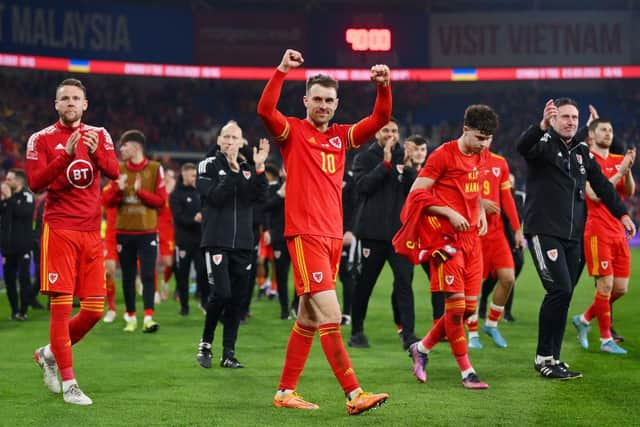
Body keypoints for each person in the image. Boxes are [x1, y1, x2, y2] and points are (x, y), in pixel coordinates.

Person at [257, 48, 390, 415]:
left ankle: (285, 392)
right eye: (317, 98)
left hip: (332, 236)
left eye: (329, 100)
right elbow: (266, 111)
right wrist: (281, 70)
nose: (323, 105)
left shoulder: (342, 137)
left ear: (336, 103)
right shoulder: (292, 132)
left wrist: (383, 87)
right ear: (305, 101)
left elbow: (380, 118)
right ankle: (353, 394)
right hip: (305, 235)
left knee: (309, 318)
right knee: (331, 315)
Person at [516, 98, 635, 379]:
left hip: (573, 236)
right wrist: (541, 125)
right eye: (565, 116)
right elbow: (522, 147)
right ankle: (544, 357)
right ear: (555, 120)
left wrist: (623, 215)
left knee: (565, 294)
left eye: (574, 117)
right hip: (544, 231)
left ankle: (554, 357)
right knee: (559, 290)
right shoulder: (542, 145)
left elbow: (605, 187)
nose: (570, 121)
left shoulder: (582, 153)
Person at [28, 78, 120, 405]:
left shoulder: (100, 135)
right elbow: (35, 182)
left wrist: (95, 152)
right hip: (60, 230)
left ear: (85, 105)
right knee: (61, 307)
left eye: (75, 98)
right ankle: (69, 383)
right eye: (64, 98)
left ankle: (50, 352)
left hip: (91, 233)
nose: (70, 103)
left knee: (94, 311)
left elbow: (114, 171)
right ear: (56, 105)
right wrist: (64, 157)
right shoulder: (41, 139)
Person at [406, 104, 495, 390]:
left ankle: (421, 347)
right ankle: (467, 372)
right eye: (479, 137)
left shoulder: (480, 156)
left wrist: (478, 210)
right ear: (465, 129)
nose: (484, 144)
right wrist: (448, 213)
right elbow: (415, 194)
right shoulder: (442, 155)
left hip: (472, 239)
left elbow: (474, 189)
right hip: (446, 241)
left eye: (488, 139)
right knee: (456, 309)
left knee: (468, 310)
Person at [195, 122, 269, 369]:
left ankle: (229, 352)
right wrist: (233, 173)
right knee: (221, 293)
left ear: (242, 142)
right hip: (216, 240)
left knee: (237, 299)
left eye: (234, 138)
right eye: (225, 137)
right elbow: (215, 198)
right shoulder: (207, 165)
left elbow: (260, 198)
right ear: (218, 140)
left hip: (244, 244)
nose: (229, 141)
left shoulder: (248, 169)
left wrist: (259, 169)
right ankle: (206, 343)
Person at [349, 119, 419, 350]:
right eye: (386, 130)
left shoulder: (404, 157)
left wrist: (408, 168)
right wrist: (386, 164)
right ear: (377, 133)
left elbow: (416, 192)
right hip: (372, 234)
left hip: (400, 235)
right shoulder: (364, 158)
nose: (391, 134)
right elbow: (362, 187)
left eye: (395, 131)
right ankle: (357, 331)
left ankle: (408, 334)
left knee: (404, 283)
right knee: (364, 284)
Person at [572, 117, 636, 354]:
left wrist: (626, 170)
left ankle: (585, 318)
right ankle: (605, 339)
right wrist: (619, 172)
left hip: (619, 231)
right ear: (591, 135)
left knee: (620, 288)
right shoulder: (587, 162)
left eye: (610, 130)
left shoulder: (619, 160)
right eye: (603, 130)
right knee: (606, 285)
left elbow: (628, 192)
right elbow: (595, 195)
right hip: (597, 230)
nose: (608, 133)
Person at [102, 130, 167, 333]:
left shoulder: (155, 169)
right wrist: (117, 190)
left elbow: (161, 201)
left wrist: (141, 193)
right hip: (124, 232)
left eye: (124, 146)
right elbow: (106, 202)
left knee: (148, 275)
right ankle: (130, 317)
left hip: (147, 232)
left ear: (136, 147)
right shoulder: (118, 169)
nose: (121, 149)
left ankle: (148, 317)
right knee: (128, 277)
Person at [466, 148, 524, 349]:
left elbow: (507, 197)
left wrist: (517, 229)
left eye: (488, 136)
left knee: (508, 278)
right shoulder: (462, 160)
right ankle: (472, 334)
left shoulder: (500, 162)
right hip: (473, 232)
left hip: (497, 233)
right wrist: (479, 202)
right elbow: (453, 192)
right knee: (472, 285)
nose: (484, 141)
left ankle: (491, 324)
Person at [479, 173, 525, 323]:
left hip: (513, 244)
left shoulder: (517, 199)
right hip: (497, 240)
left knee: (509, 279)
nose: (509, 184)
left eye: (511, 182)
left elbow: (519, 217)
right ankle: (482, 304)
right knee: (491, 279)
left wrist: (519, 231)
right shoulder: (496, 199)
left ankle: (505, 313)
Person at [170, 162, 208, 316]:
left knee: (203, 272)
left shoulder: (201, 193)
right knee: (182, 275)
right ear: (184, 174)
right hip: (183, 241)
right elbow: (178, 217)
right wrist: (194, 218)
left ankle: (204, 302)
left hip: (201, 241)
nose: (194, 178)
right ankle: (184, 306)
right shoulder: (176, 194)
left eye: (195, 175)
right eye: (192, 175)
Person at [0, 168, 35, 320]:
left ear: (18, 181)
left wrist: (9, 198)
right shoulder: (7, 198)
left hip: (23, 247)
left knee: (24, 279)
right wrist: (5, 199)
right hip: (8, 248)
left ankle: (23, 310)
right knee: (9, 281)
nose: (6, 181)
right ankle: (15, 311)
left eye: (9, 179)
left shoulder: (27, 195)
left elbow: (25, 212)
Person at [158, 167, 176, 301]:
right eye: (168, 176)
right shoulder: (160, 191)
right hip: (161, 230)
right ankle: (154, 288)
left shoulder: (177, 194)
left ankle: (165, 283)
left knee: (173, 263)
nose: (170, 179)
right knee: (167, 262)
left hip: (175, 231)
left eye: (172, 177)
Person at [101, 186, 119, 323]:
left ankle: (131, 312)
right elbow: (102, 206)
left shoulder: (136, 186)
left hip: (132, 233)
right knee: (108, 272)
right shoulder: (108, 190)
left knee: (133, 272)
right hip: (111, 235)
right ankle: (112, 308)